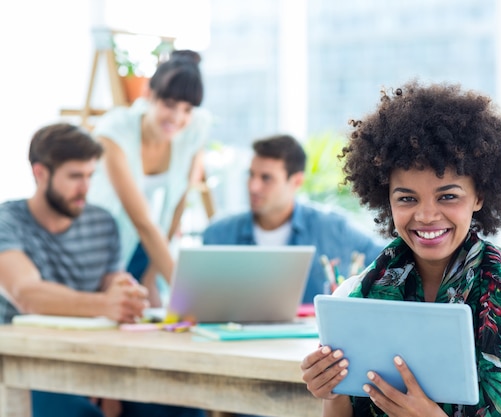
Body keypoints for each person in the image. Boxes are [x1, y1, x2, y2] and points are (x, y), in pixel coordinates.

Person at [300, 81, 501, 417]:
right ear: (387, 200)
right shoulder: (352, 299)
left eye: (448, 196)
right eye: (407, 198)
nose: (426, 215)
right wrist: (331, 390)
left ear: (479, 196)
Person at [0, 123, 205, 417]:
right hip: (26, 368)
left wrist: (127, 293)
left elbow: (112, 283)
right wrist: (106, 304)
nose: (85, 188)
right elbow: (27, 294)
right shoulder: (7, 222)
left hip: (95, 362)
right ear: (40, 173)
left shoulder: (103, 222)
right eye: (74, 177)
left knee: (183, 410)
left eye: (90, 176)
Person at [88, 49, 212, 306]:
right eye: (168, 105)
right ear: (148, 94)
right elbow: (141, 219)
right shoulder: (115, 130)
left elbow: (180, 200)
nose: (177, 118)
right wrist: (190, 302)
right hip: (104, 248)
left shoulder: (196, 128)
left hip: (152, 246)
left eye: (187, 109)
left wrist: (153, 272)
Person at [202, 134, 384, 303]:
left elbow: (393, 259)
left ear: (296, 182)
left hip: (312, 338)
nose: (253, 187)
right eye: (251, 175)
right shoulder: (218, 234)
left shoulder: (334, 228)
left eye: (266, 178)